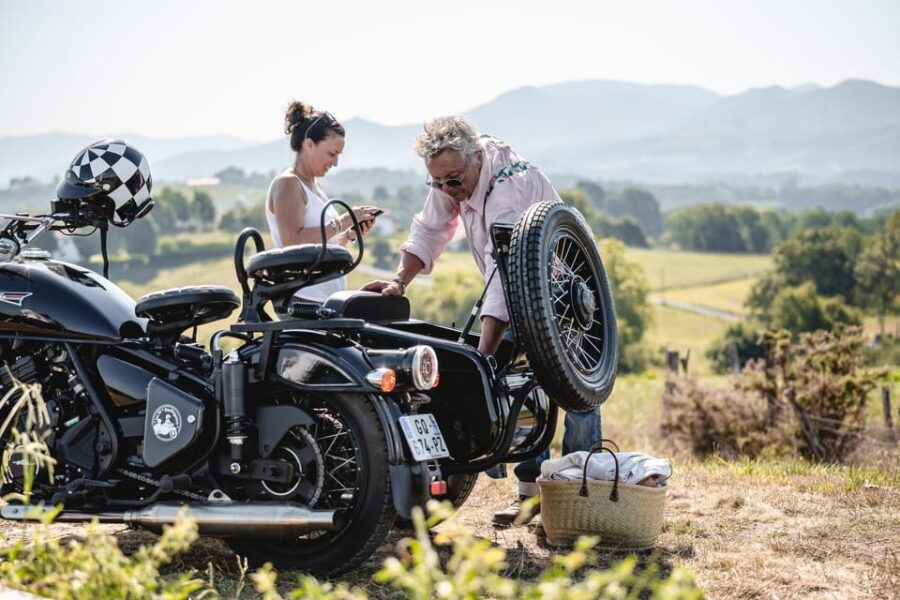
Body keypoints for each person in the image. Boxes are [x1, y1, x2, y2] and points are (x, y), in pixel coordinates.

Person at [362, 116, 603, 527]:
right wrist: (399, 281)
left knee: (574, 393)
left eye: (452, 182)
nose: (446, 191)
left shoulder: (506, 188)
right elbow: (430, 228)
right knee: (519, 391)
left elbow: (502, 276)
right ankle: (531, 495)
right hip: (518, 289)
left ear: (476, 159)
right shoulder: (453, 173)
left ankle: (582, 498)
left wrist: (483, 356)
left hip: (561, 290)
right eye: (436, 183)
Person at [267, 100, 380, 303]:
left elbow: (320, 245)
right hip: (302, 299)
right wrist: (343, 221)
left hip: (323, 299)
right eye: (331, 153)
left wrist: (350, 235)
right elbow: (292, 243)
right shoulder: (288, 183)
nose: (335, 163)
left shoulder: (314, 188)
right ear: (309, 144)